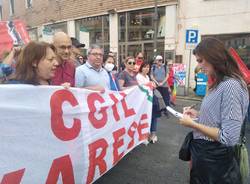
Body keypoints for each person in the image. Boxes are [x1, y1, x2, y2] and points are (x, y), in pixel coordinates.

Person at [179, 38, 249, 184]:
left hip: (215, 160)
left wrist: (193, 125)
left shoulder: (230, 85)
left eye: (200, 61)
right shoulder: (219, 82)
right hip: (205, 156)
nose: (198, 66)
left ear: (214, 58)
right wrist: (197, 115)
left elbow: (228, 137)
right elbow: (217, 117)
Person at [136, 62, 160, 143]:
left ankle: (152, 134)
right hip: (143, 101)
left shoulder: (147, 76)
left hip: (150, 99)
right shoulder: (138, 76)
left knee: (153, 116)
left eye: (148, 67)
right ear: (141, 68)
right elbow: (141, 88)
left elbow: (151, 86)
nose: (147, 69)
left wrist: (151, 84)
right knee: (145, 117)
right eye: (145, 67)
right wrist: (149, 84)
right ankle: (145, 135)